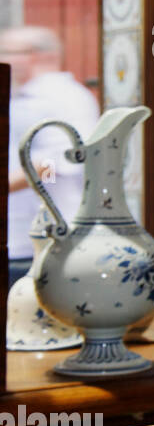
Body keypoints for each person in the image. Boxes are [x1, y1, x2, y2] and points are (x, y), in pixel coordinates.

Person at [3, 26, 101, 288]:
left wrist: (12, 183)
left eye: (6, 51)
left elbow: (59, 163)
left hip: (49, 237)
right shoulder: (22, 97)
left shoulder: (65, 98)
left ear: (33, 55)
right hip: (20, 238)